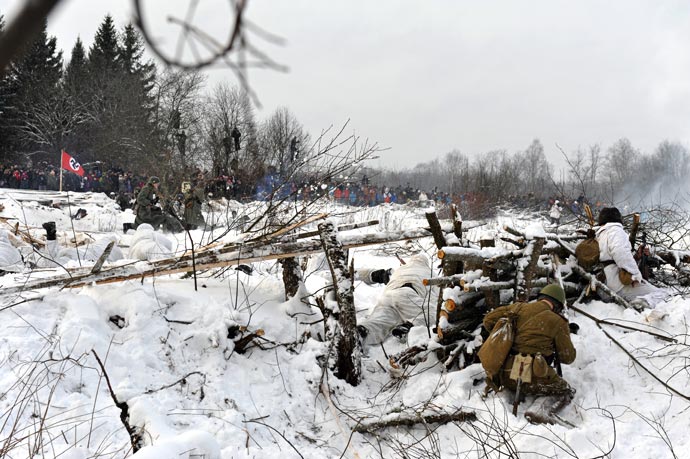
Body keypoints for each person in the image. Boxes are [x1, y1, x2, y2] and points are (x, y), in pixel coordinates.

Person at [482, 284, 576, 416]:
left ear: (540, 298)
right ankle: (538, 411)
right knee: (564, 390)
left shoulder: (517, 307)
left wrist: (506, 337)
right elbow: (568, 357)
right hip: (533, 379)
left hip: (504, 375)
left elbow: (488, 320)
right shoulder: (558, 321)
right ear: (558, 306)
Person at [596, 207, 665, 309]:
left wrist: (637, 257)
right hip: (616, 286)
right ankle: (640, 305)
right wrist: (635, 276)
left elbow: (611, 258)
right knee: (663, 295)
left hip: (603, 286)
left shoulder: (599, 234)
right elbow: (620, 253)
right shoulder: (615, 230)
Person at [357, 254, 431, 345]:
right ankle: (409, 328)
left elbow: (386, 276)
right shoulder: (429, 273)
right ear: (426, 264)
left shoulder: (400, 270)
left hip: (387, 297)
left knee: (380, 320)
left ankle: (362, 332)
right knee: (432, 312)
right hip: (408, 295)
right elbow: (434, 297)